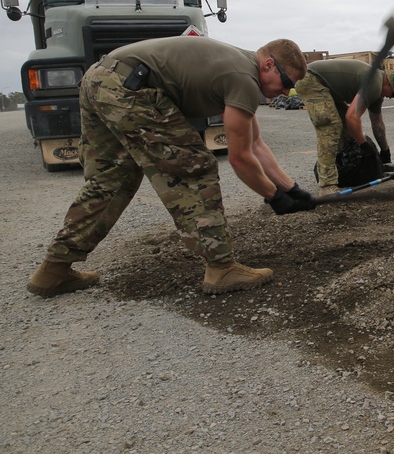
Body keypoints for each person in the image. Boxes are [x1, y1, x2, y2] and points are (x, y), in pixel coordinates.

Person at [27, 35, 317, 298]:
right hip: (129, 86)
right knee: (193, 167)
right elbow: (240, 157)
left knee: (113, 177)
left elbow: (255, 144)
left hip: (100, 79)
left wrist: (291, 188)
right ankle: (221, 268)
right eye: (286, 83)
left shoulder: (241, 68)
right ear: (268, 64)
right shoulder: (243, 78)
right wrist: (274, 196)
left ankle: (54, 270)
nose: (285, 92)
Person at [294, 58, 394, 193]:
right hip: (311, 80)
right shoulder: (375, 84)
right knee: (331, 127)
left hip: (324, 86)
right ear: (388, 83)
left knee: (347, 132)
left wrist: (385, 152)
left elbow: (377, 123)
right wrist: (364, 146)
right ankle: (327, 185)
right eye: (393, 94)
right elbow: (352, 117)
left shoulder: (378, 89)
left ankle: (341, 168)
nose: (390, 97)